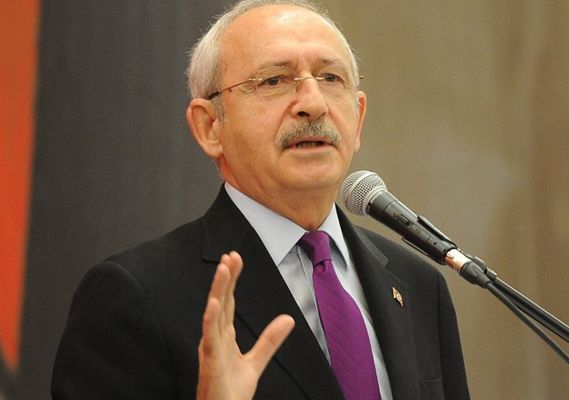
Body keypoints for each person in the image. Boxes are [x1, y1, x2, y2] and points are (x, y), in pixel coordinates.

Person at [51, 0, 470, 399]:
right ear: (210, 126)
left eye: (330, 78)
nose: (313, 104)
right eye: (274, 81)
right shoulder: (135, 295)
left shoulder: (418, 284)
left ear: (358, 117)